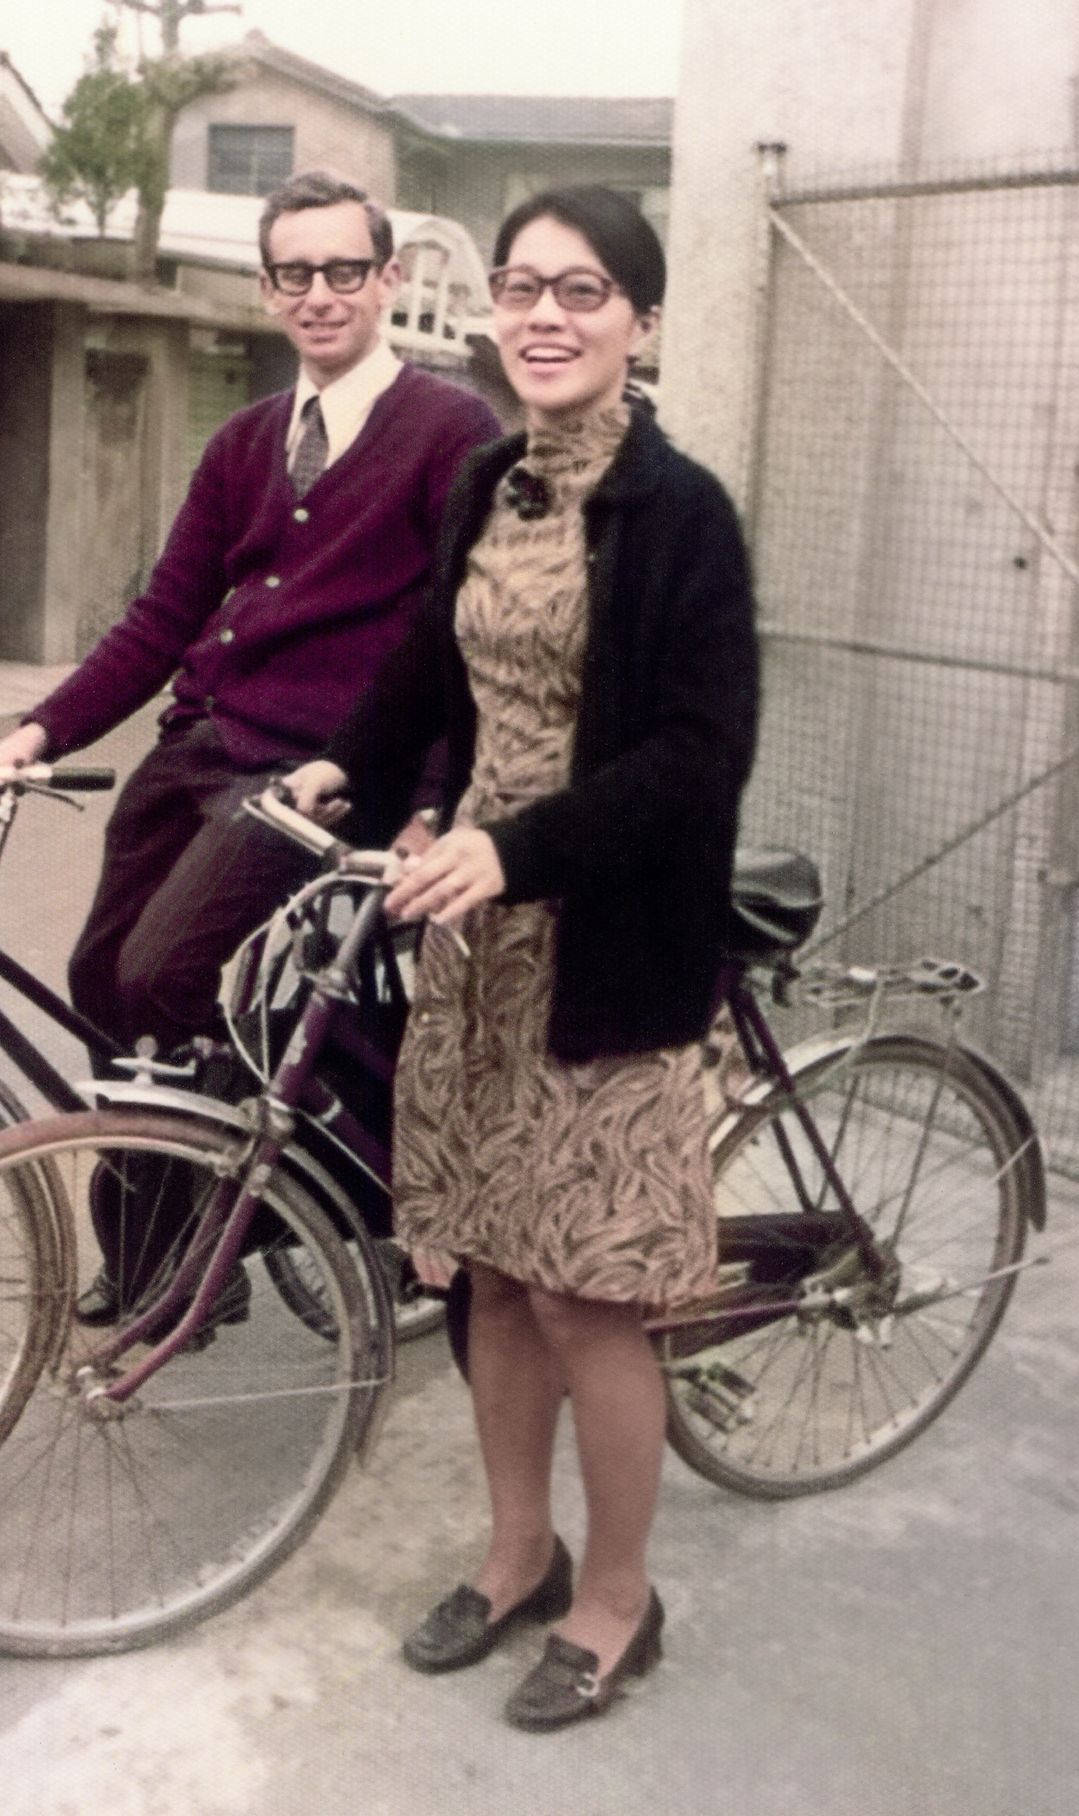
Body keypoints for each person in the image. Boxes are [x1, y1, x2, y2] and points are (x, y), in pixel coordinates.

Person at [286, 186, 759, 1730]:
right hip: (475, 936)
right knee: (489, 1270)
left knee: (583, 1302)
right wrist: (336, 774)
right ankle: (518, 1554)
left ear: (642, 321)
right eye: (520, 288)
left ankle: (622, 1599)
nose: (545, 315)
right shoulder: (489, 478)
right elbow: (428, 664)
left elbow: (699, 754)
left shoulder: (682, 513)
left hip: (607, 946)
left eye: (583, 290)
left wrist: (518, 848)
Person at [0, 168, 499, 1319]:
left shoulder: (449, 428)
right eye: (294, 274)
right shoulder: (244, 441)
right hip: (198, 749)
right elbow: (162, 616)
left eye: (342, 271)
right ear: (268, 290)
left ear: (384, 281)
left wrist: (431, 797)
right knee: (98, 981)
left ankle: (222, 1229)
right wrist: (37, 727)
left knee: (165, 972)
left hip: (318, 775)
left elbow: (457, 638)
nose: (318, 294)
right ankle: (160, 1251)